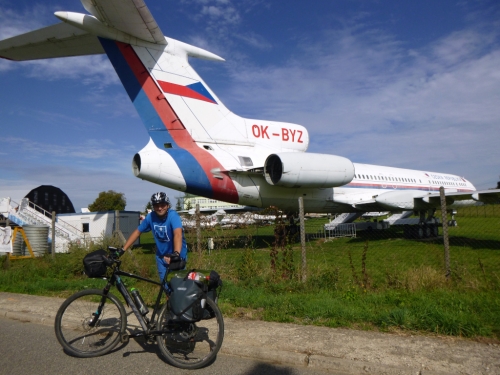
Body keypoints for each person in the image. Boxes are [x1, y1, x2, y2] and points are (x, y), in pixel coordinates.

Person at [123, 192, 187, 281]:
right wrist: (123, 249)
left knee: (178, 287)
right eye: (156, 206)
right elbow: (137, 232)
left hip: (176, 257)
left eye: (162, 205)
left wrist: (176, 254)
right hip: (161, 256)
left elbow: (178, 234)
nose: (160, 208)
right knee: (165, 287)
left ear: (168, 205)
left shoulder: (173, 215)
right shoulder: (151, 217)